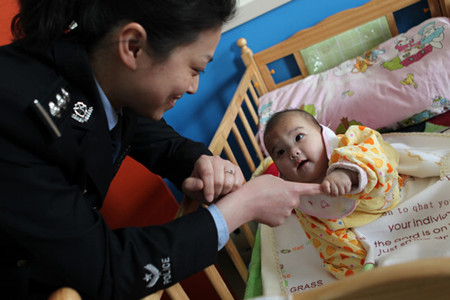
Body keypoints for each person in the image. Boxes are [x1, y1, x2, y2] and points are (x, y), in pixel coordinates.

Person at [0, 1, 323, 299]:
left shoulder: (89, 63)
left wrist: (198, 161)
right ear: (133, 46)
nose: (194, 87)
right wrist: (242, 207)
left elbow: (151, 135)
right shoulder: (15, 112)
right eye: (194, 69)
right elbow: (106, 269)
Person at [263, 109, 402, 279]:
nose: (293, 152)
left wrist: (346, 172)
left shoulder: (345, 143)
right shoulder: (302, 197)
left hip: (378, 198)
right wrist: (357, 269)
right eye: (280, 152)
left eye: (299, 137)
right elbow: (326, 239)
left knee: (376, 154)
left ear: (322, 134)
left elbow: (370, 154)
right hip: (346, 222)